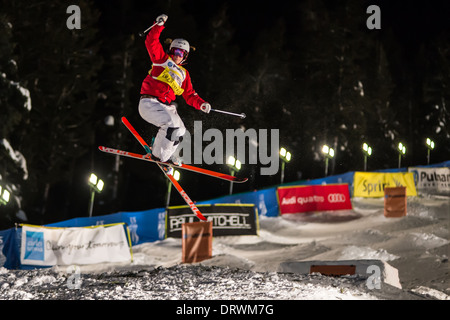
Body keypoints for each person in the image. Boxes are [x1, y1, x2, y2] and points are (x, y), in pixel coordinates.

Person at [138, 13, 211, 165]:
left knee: (181, 130)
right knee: (171, 125)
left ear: (185, 56)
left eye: (181, 53)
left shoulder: (184, 74)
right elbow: (151, 42)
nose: (177, 56)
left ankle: (166, 156)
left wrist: (201, 104)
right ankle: (158, 155)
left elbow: (190, 95)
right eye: (175, 51)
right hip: (150, 103)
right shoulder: (162, 60)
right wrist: (158, 25)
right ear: (171, 51)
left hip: (166, 107)